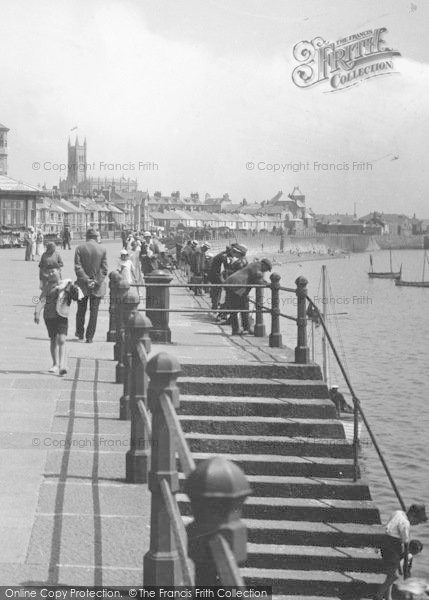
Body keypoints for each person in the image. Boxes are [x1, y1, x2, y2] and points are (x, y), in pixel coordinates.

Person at [34, 268, 79, 375]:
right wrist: (37, 312)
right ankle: (55, 364)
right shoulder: (47, 287)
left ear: (59, 271)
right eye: (49, 272)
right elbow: (42, 300)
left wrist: (74, 290)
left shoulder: (67, 284)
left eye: (52, 271)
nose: (50, 273)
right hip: (49, 316)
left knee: (62, 339)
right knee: (53, 339)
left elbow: (76, 297)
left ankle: (62, 365)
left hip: (62, 315)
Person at [376, 504, 427, 600]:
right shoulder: (405, 523)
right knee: (393, 576)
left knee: (391, 574)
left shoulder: (397, 512)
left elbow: (390, 528)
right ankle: (378, 596)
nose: (415, 524)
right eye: (417, 522)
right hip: (392, 546)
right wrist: (406, 555)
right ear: (412, 515)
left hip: (384, 541)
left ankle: (388, 597)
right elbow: (406, 541)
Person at [74, 228, 108, 343]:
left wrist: (87, 280)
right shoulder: (102, 249)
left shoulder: (80, 248)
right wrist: (96, 281)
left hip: (82, 285)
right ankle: (90, 337)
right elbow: (104, 269)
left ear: (87, 236)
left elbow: (78, 267)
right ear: (96, 237)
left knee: (81, 310)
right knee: (94, 312)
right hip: (97, 286)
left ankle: (80, 334)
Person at [224, 258, 272, 335]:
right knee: (235, 309)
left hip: (238, 287)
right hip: (235, 286)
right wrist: (270, 284)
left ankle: (246, 328)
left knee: (245, 307)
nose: (265, 271)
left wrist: (266, 283)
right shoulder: (257, 266)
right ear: (264, 265)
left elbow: (259, 279)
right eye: (267, 269)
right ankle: (236, 330)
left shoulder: (256, 265)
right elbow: (258, 280)